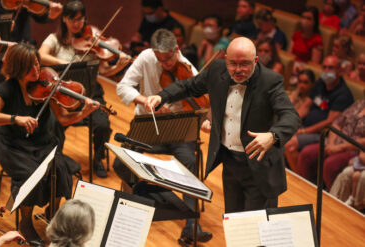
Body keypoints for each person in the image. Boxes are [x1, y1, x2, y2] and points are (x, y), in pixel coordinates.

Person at [145, 37, 301, 214]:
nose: (238, 70)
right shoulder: (217, 70)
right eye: (233, 63)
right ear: (226, 59)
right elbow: (189, 86)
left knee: (255, 229)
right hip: (230, 162)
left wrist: (272, 136)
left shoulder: (270, 81)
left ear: (256, 61)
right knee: (233, 220)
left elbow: (291, 116)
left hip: (258, 167)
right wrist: (162, 96)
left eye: (244, 64)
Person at [0, 43, 98, 246]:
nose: (36, 71)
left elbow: (64, 119)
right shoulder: (6, 89)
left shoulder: (45, 85)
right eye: (29, 67)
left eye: (37, 64)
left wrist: (85, 111)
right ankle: (25, 222)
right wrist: (16, 119)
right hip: (14, 147)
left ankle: (52, 213)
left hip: (43, 144)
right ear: (18, 68)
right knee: (30, 176)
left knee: (59, 168)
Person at [115, 29, 212, 243]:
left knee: (190, 162)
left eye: (167, 59)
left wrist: (204, 120)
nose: (164, 64)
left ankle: (191, 224)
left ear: (176, 50)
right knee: (120, 163)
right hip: (148, 125)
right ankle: (151, 192)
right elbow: (122, 87)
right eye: (159, 59)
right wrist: (144, 100)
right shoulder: (146, 57)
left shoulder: (188, 68)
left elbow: (201, 103)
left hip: (177, 128)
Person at [38, 0, 122, 178]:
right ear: (64, 20)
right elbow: (41, 55)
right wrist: (67, 64)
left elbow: (105, 72)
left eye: (80, 19)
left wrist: (119, 66)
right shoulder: (55, 40)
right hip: (62, 96)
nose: (77, 24)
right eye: (73, 19)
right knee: (54, 125)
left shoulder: (90, 41)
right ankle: (56, 162)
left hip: (90, 93)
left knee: (103, 125)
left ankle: (98, 159)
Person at [285, 55, 354, 171]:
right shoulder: (320, 83)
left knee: (290, 144)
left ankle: (300, 183)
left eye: (331, 68)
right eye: (325, 67)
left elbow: (330, 122)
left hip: (322, 135)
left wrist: (303, 131)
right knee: (280, 132)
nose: (327, 71)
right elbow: (305, 107)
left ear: (339, 71)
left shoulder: (343, 94)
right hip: (304, 127)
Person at [296, 99, 364, 187]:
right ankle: (304, 188)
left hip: (354, 150)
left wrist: (341, 147)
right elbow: (337, 123)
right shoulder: (360, 103)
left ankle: (329, 196)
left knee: (330, 165)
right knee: (307, 154)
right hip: (334, 142)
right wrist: (331, 144)